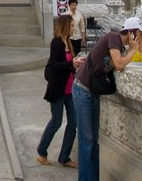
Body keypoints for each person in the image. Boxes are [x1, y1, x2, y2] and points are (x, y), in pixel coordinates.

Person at [72, 16, 142, 181]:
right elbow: (119, 64)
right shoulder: (113, 37)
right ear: (131, 33)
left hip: (93, 92)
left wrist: (131, 50)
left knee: (93, 141)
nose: (139, 39)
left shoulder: (119, 46)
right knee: (87, 140)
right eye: (138, 34)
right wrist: (133, 49)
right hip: (82, 89)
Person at [36, 14, 85, 168]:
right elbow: (53, 65)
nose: (73, 28)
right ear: (64, 26)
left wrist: (76, 64)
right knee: (56, 121)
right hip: (58, 89)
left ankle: (64, 157)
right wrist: (71, 63)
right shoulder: (56, 43)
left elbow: (69, 65)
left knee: (73, 122)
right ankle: (42, 151)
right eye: (71, 26)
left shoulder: (68, 43)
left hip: (70, 89)